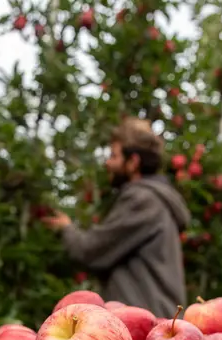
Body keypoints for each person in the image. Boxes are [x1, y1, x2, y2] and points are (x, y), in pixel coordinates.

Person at [42, 118, 191, 318]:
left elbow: (92, 250)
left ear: (133, 162)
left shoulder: (142, 200)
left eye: (114, 155)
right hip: (153, 319)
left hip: (144, 325)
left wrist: (67, 228)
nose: (107, 163)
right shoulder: (155, 200)